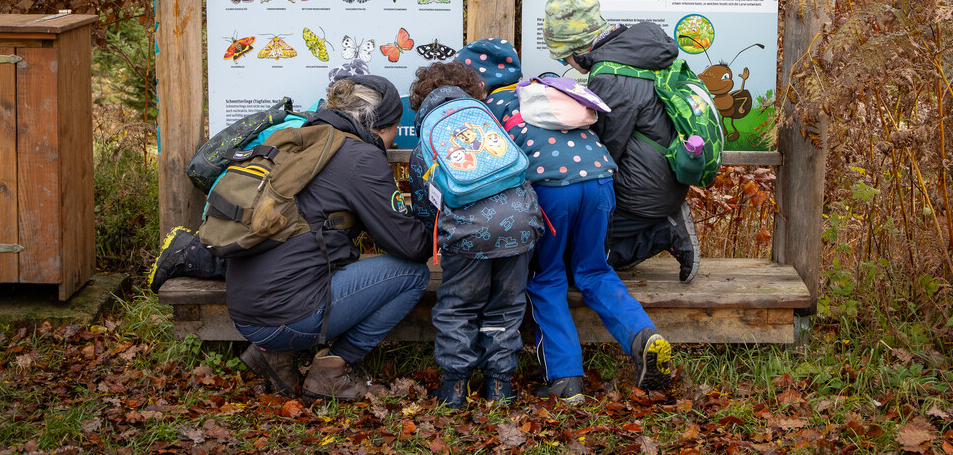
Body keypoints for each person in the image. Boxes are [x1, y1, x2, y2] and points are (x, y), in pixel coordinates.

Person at [152, 75, 431, 401]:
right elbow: (411, 247)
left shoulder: (300, 140)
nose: (395, 139)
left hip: (244, 309)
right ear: (380, 126)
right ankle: (332, 370)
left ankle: (273, 354)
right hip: (284, 317)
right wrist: (433, 228)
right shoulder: (360, 157)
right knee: (414, 274)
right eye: (395, 128)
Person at [458, 38, 673, 401]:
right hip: (601, 180)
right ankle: (642, 335)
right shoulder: (545, 90)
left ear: (477, 84)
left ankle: (566, 379)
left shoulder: (490, 108)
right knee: (594, 270)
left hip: (552, 189)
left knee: (547, 277)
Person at [407, 62, 544, 407]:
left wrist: (435, 236)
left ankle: (454, 388)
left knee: (458, 309)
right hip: (520, 226)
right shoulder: (488, 122)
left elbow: (426, 208)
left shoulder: (427, 142)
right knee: (505, 306)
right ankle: (499, 387)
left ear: (421, 101)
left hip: (466, 237)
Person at [542, 0, 701, 283]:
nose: (568, 63)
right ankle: (660, 222)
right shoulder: (637, 49)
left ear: (576, 48)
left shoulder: (607, 74)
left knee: (574, 258)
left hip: (642, 191)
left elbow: (603, 152)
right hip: (667, 174)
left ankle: (663, 230)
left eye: (564, 56)